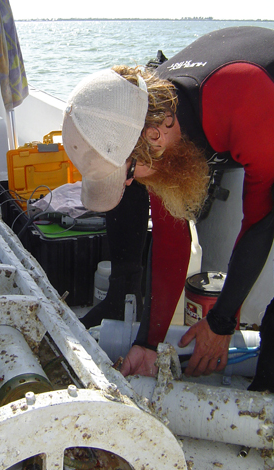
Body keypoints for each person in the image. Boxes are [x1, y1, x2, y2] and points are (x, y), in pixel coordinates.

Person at [62, 26, 274, 391]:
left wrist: (222, 321)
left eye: (127, 174)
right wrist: (148, 342)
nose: (129, 184)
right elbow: (170, 243)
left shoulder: (244, 100)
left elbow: (260, 220)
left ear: (154, 138)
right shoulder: (145, 112)